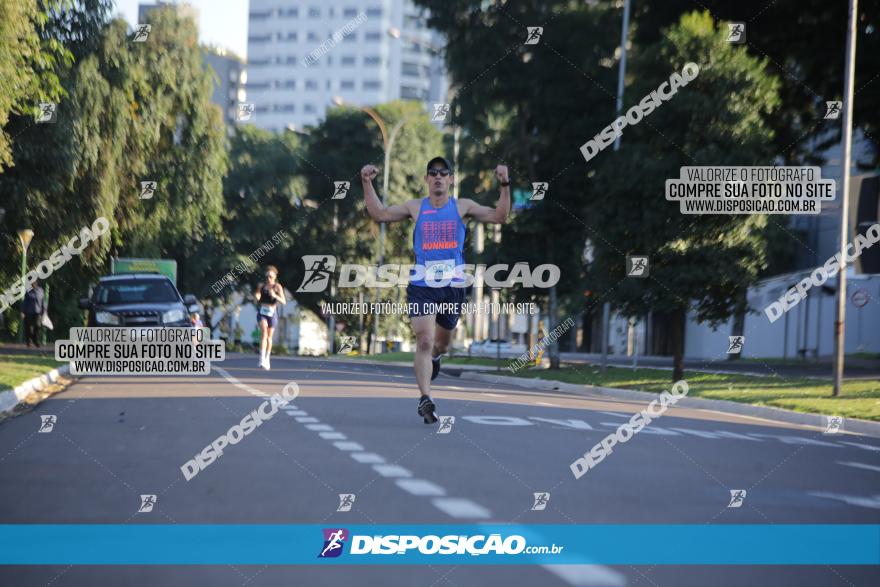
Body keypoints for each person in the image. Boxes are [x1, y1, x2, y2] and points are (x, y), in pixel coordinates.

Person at [362, 157, 510, 423]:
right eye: (433, 173)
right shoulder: (415, 207)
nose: (438, 177)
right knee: (425, 340)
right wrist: (366, 182)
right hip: (422, 285)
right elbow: (380, 214)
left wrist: (504, 184)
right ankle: (425, 398)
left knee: (441, 344)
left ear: (451, 179)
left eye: (444, 173)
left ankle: (437, 357)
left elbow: (500, 217)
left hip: (453, 287)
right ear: (427, 179)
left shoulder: (462, 206)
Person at [254, 265, 286, 370]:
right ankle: (261, 358)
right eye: (267, 276)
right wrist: (257, 297)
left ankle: (267, 358)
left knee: (269, 337)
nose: (269, 278)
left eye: (271, 277)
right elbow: (258, 295)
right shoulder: (261, 286)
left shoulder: (277, 287)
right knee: (263, 331)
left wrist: (275, 295)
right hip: (262, 311)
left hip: (272, 313)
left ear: (275, 277)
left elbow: (283, 301)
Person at [21, 279, 46, 348]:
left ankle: (35, 340)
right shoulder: (28, 291)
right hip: (28, 312)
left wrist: (44, 312)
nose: (33, 283)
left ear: (37, 283)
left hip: (38, 313)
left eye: (34, 282)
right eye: (32, 282)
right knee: (28, 328)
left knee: (37, 327)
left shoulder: (41, 291)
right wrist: (23, 312)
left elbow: (43, 302)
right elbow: (25, 302)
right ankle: (28, 342)